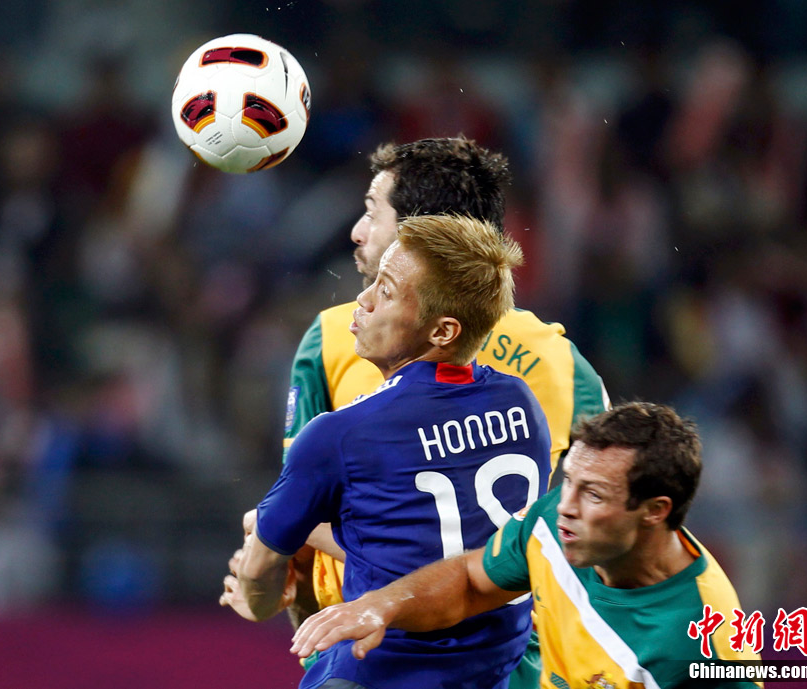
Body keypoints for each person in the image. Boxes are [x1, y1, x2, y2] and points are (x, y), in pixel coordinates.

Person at [224, 215, 553, 689]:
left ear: (442, 332)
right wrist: (304, 531)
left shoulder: (340, 434)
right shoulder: (523, 406)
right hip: (494, 674)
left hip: (376, 671)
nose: (363, 299)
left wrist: (254, 589)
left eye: (388, 290)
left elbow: (258, 591)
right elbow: (436, 549)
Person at [291, 402, 764, 689]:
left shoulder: (706, 643)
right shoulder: (555, 525)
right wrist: (383, 606)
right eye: (570, 481)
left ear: (655, 510)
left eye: (593, 493)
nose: (565, 505)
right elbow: (470, 582)